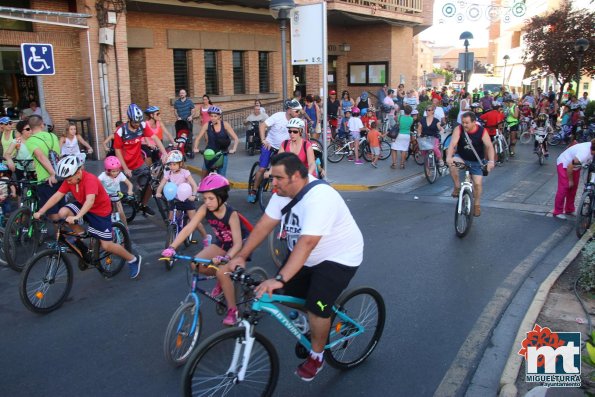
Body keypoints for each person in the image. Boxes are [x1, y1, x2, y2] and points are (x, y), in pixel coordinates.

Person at [222, 152, 363, 381]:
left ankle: (317, 357)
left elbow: (307, 243)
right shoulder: (282, 194)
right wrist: (242, 255)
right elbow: (264, 226)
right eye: (272, 177)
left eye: (277, 178)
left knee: (317, 306)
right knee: (288, 294)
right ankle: (312, 319)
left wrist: (279, 277)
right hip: (305, 255)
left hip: (339, 256)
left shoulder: (320, 198)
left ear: (296, 176)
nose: (272, 183)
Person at [33, 155, 142, 278]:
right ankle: (82, 237)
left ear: (78, 172)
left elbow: (90, 201)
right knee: (62, 213)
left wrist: (77, 216)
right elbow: (57, 196)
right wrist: (41, 211)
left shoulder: (90, 179)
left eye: (69, 179)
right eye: (66, 179)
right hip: (82, 204)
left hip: (100, 211)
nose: (67, 181)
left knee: (107, 245)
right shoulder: (69, 180)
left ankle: (133, 259)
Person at [162, 173, 249, 325]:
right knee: (195, 264)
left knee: (222, 271)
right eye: (205, 198)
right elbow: (189, 227)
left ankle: (233, 311)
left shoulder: (231, 214)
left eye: (211, 198)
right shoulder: (204, 208)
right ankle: (222, 281)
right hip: (221, 243)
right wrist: (172, 247)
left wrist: (226, 259)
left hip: (238, 248)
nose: (207, 202)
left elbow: (237, 244)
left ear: (221, 197)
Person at [114, 104, 168, 217]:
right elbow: (118, 151)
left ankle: (143, 205)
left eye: (139, 122)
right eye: (135, 122)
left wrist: (165, 153)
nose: (137, 125)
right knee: (128, 193)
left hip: (139, 162)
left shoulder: (142, 126)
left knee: (150, 182)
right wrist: (125, 168)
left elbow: (155, 138)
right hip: (125, 165)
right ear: (129, 119)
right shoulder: (120, 131)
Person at [247, 99, 302, 203]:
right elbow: (262, 125)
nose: (298, 114)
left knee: (280, 171)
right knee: (262, 169)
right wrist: (263, 140)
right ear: (289, 109)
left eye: (299, 112)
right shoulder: (278, 116)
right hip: (269, 145)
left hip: (282, 149)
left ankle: (277, 189)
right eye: (296, 111)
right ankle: (254, 190)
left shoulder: (295, 122)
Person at [446, 112, 496, 216]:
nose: (464, 125)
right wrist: (449, 157)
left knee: (477, 184)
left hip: (477, 162)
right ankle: (457, 186)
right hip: (462, 158)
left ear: (474, 122)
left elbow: (489, 146)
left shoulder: (482, 131)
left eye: (467, 123)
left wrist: (491, 161)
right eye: (463, 122)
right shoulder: (458, 129)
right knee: (452, 164)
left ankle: (477, 204)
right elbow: (452, 144)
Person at [156, 150, 209, 245]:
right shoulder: (168, 173)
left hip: (186, 199)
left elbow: (193, 184)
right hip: (174, 198)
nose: (172, 167)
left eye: (174, 164)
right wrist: (158, 192)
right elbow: (162, 184)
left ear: (180, 164)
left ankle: (206, 238)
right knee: (171, 219)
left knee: (194, 220)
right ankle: (172, 235)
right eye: (170, 164)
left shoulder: (185, 172)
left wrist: (193, 195)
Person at [25, 114, 64, 220]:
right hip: (60, 177)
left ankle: (55, 234)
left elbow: (41, 156)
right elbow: (58, 155)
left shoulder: (31, 141)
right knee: (61, 208)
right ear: (42, 125)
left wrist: (52, 174)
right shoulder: (53, 136)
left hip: (46, 180)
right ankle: (63, 233)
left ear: (30, 127)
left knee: (53, 214)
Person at [553, 139, 595, 219]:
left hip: (575, 166)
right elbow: (570, 167)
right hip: (565, 164)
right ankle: (557, 211)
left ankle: (569, 209)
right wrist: (570, 180)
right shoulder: (584, 154)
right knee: (564, 187)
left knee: (573, 188)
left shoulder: (591, 146)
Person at [193, 106, 238, 178]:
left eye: (215, 116)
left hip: (222, 153)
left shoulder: (225, 124)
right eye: (211, 116)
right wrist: (195, 148)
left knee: (222, 177)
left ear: (219, 117)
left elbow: (236, 138)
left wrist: (234, 149)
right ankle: (202, 186)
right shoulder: (207, 125)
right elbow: (198, 139)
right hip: (209, 153)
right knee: (204, 173)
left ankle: (222, 189)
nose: (213, 118)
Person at [98, 156, 134, 228]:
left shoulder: (120, 175)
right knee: (106, 213)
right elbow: (95, 183)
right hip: (106, 196)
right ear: (107, 170)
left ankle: (125, 229)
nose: (116, 173)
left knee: (121, 213)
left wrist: (130, 190)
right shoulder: (103, 176)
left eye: (117, 170)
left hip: (116, 195)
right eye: (113, 171)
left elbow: (129, 184)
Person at [173, 89, 195, 154]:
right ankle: (181, 149)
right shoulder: (176, 102)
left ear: (185, 94)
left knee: (189, 136)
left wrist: (191, 116)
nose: (181, 94)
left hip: (188, 121)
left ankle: (189, 150)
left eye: (183, 93)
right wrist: (177, 117)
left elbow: (193, 111)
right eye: (180, 93)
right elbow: (175, 111)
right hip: (180, 122)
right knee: (179, 135)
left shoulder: (190, 101)